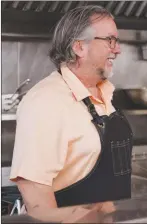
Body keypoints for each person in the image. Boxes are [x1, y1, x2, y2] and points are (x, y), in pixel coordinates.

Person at [10, 5, 133, 214]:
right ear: (79, 47)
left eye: (117, 41)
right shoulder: (45, 101)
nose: (118, 49)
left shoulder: (104, 94)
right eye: (110, 40)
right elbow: (35, 194)